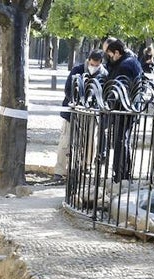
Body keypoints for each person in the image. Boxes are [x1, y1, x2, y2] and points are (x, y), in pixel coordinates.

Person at [55, 49, 106, 180]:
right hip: (73, 111)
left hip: (92, 113)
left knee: (90, 141)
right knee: (66, 140)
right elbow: (68, 89)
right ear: (88, 60)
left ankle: (86, 166)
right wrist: (77, 102)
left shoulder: (104, 73)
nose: (94, 67)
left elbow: (103, 93)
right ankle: (60, 171)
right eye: (92, 64)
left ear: (101, 63)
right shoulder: (77, 70)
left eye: (97, 65)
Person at [103, 38, 143, 182]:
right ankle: (123, 172)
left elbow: (119, 89)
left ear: (117, 53)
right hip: (127, 109)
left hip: (124, 109)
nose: (110, 58)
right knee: (122, 140)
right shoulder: (128, 61)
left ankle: (121, 174)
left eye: (111, 55)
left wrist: (110, 104)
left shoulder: (125, 65)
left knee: (120, 141)